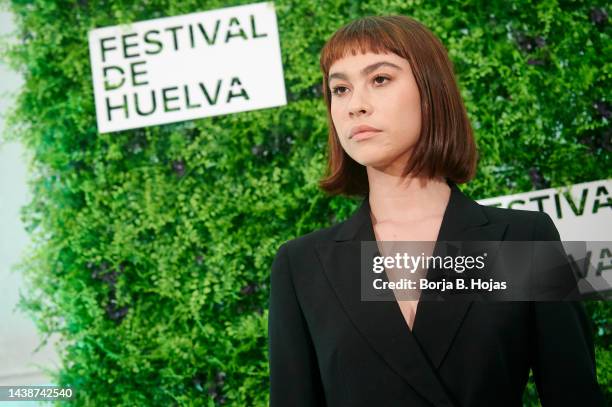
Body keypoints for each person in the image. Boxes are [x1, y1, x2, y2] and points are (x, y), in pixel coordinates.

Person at [268, 15, 605, 407]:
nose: (355, 106)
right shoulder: (302, 264)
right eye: (339, 89)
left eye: (380, 79)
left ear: (431, 90)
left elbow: (574, 393)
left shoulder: (523, 238)